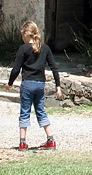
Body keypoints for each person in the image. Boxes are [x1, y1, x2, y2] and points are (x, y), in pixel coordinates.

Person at [8, 21, 63, 150]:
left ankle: (22, 142)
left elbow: (16, 69)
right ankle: (50, 140)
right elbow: (54, 68)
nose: (22, 38)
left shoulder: (23, 49)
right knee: (40, 111)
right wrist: (58, 86)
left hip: (27, 84)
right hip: (40, 84)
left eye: (22, 35)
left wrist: (10, 83)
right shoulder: (45, 48)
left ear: (26, 34)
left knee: (24, 111)